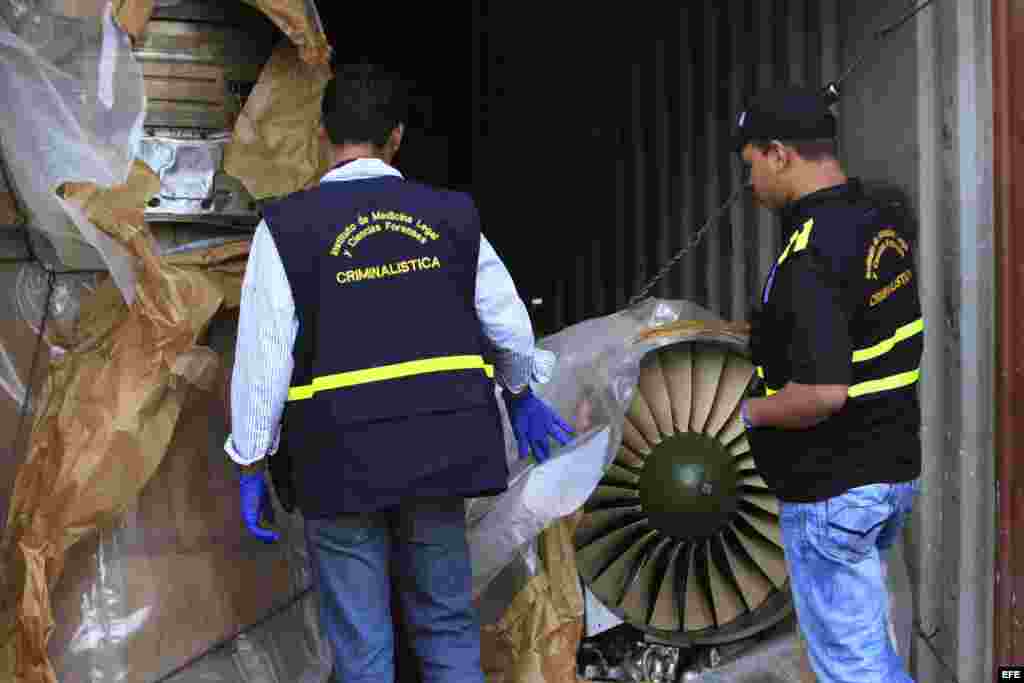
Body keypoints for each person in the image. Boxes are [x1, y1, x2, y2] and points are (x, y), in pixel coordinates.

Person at [224, 63, 574, 683]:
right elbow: (510, 328)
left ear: (323, 135)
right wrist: (519, 394)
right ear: (397, 137)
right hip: (439, 452)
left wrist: (251, 458)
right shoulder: (453, 216)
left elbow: (262, 360)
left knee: (362, 645)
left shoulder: (285, 228)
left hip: (338, 458)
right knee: (444, 623)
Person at [733, 85, 923, 683]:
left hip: (834, 487)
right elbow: (853, 320)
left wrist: (751, 414)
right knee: (870, 646)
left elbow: (821, 394)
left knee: (853, 668)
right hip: (889, 470)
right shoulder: (876, 217)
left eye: (752, 165)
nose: (751, 183)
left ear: (780, 154)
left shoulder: (809, 255)